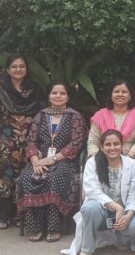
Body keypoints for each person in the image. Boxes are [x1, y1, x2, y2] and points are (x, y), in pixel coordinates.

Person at [17, 82, 86, 242]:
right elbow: (31, 142)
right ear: (49, 96)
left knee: (54, 178)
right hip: (40, 160)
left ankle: (53, 227)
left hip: (64, 161)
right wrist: (36, 161)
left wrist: (52, 159)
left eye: (62, 93)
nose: (58, 96)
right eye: (54, 93)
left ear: (68, 97)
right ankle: (35, 227)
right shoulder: (41, 115)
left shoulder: (75, 116)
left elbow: (76, 144)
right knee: (29, 177)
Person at [0, 54, 44, 230]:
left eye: (22, 66)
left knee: (26, 176)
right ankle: (3, 216)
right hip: (6, 141)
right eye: (14, 66)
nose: (18, 69)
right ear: (8, 70)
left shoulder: (34, 89)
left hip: (30, 141)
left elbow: (41, 115)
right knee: (5, 177)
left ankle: (22, 215)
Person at [75, 130, 135, 255]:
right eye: (108, 144)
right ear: (102, 147)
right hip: (101, 211)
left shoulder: (133, 165)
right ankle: (87, 249)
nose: (112, 148)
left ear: (122, 145)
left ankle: (122, 239)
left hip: (123, 212)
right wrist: (117, 208)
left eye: (116, 144)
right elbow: (93, 191)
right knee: (90, 208)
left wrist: (128, 214)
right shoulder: (92, 163)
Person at [87, 80, 135, 165]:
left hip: (131, 159)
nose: (120, 94)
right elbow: (92, 142)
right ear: (111, 95)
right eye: (116, 92)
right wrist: (97, 159)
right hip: (103, 160)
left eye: (124, 92)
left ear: (130, 96)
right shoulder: (100, 115)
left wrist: (127, 160)